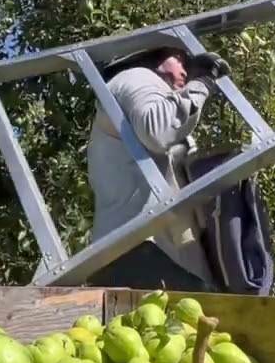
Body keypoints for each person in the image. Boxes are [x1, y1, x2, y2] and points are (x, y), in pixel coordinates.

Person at [84, 45, 232, 291]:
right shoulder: (136, 77)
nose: (186, 70)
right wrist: (202, 83)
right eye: (180, 59)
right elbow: (157, 129)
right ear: (154, 58)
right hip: (143, 250)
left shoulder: (146, 90)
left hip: (153, 251)